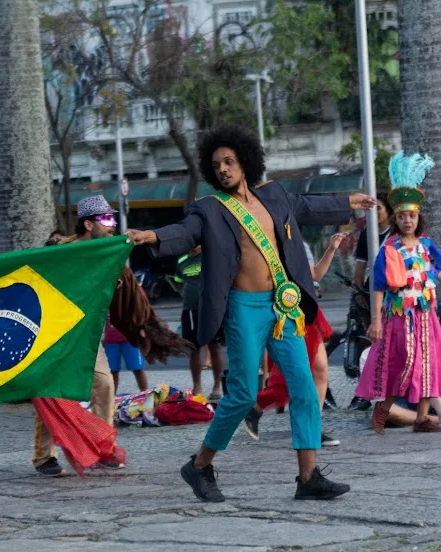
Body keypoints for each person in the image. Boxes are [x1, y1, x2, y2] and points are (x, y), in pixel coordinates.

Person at [125, 124, 373, 502]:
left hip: (283, 305)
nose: (223, 169)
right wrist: (153, 236)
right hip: (243, 309)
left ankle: (308, 478)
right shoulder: (209, 209)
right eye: (216, 165)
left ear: (245, 161)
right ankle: (200, 465)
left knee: (305, 388)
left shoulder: (274, 196)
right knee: (241, 395)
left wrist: (347, 202)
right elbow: (185, 230)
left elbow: (307, 207)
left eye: (229, 161)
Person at [34, 195, 192, 477]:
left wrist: (142, 325)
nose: (112, 224)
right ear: (88, 224)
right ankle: (45, 457)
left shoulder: (111, 253)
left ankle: (103, 447)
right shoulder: (59, 252)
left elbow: (128, 293)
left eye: (113, 218)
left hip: (88, 336)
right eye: (106, 219)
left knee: (105, 384)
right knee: (51, 393)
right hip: (54, 335)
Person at [356, 151, 441, 434]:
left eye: (412, 216)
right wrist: (377, 320)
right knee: (400, 363)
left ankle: (421, 417)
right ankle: (383, 409)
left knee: (428, 363)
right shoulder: (390, 248)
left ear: (418, 218)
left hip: (426, 316)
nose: (407, 221)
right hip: (398, 317)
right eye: (402, 216)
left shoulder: (427, 246)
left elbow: (437, 271)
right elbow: (379, 285)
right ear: (396, 218)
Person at [243, 233, 349, 447]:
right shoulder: (260, 245)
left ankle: (313, 428)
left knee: (320, 370)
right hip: (283, 317)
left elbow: (315, 274)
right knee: (295, 377)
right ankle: (256, 406)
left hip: (306, 313)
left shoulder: (295, 243)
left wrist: (331, 248)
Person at [348, 192, 393, 412]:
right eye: (370, 210)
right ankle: (366, 392)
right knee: (370, 341)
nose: (374, 214)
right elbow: (359, 268)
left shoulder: (395, 233)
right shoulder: (366, 234)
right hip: (370, 293)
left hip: (393, 294)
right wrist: (358, 292)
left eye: (379, 209)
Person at [169, 245, 224, 400]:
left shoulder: (210, 257)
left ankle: (217, 387)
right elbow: (178, 283)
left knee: (215, 346)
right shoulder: (182, 260)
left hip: (211, 309)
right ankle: (197, 386)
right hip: (189, 310)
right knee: (193, 348)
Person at [104, 314, 149, 393]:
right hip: (110, 341)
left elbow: (139, 310)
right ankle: (110, 399)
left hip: (130, 339)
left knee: (137, 369)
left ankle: (147, 395)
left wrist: (142, 327)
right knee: (112, 371)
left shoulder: (126, 301)